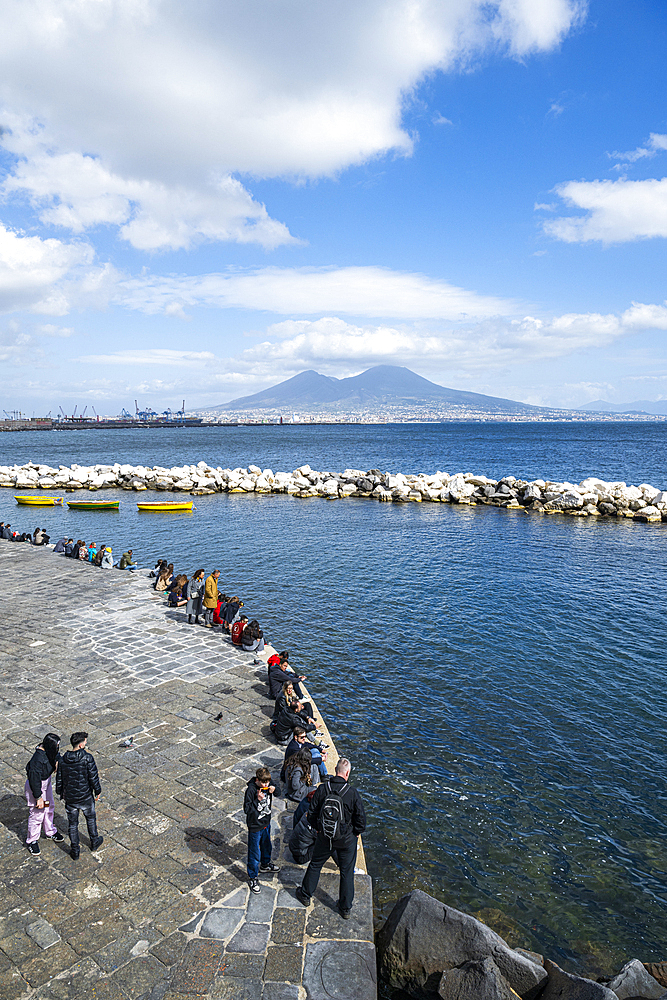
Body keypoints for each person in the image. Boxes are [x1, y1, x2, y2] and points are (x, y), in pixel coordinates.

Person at [296, 758, 366, 919]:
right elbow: (361, 821)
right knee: (346, 872)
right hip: (346, 839)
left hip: (325, 837)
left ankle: (305, 894)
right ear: (347, 773)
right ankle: (345, 908)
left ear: (335, 769)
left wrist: (320, 829)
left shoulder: (322, 789)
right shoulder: (352, 793)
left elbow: (312, 814)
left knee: (315, 865)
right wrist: (355, 833)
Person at [55, 731, 103, 859]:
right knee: (91, 819)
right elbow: (93, 778)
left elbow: (59, 779)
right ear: (81, 745)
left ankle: (75, 850)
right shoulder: (87, 758)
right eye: (85, 742)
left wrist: (60, 793)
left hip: (70, 798)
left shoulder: (63, 760)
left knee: (72, 824)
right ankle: (94, 841)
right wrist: (97, 791)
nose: (86, 744)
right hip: (86, 796)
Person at [24, 733, 64, 855]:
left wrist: (57, 762)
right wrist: (38, 797)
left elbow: (57, 756)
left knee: (49, 807)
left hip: (46, 783)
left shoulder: (50, 750)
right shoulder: (37, 760)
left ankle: (50, 831)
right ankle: (32, 841)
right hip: (36, 787)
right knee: (37, 813)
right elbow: (34, 780)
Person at [243, 766, 281, 893]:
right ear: (257, 780)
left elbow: (279, 792)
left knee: (266, 845)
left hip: (266, 822)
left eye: (268, 782)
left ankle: (265, 865)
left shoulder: (269, 782)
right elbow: (247, 810)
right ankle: (252, 877)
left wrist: (274, 790)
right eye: (263, 782)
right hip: (255, 826)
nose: (266, 784)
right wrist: (257, 800)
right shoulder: (251, 790)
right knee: (254, 853)